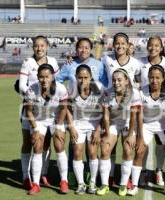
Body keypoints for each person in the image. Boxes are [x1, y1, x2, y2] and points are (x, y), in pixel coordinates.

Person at [56, 37, 107, 185]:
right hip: (75, 108)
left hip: (93, 111)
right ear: (76, 49)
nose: (83, 50)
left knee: (92, 148)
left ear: (90, 49)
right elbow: (58, 81)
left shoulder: (98, 64)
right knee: (75, 145)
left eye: (86, 47)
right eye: (80, 47)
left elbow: (103, 84)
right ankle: (73, 174)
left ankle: (91, 176)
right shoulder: (69, 64)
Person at [18, 35, 59, 190]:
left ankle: (43, 173)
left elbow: (58, 82)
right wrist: (36, 96)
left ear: (47, 46)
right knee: (28, 142)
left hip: (49, 110)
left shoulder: (53, 62)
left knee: (46, 143)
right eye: (36, 45)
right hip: (30, 108)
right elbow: (22, 86)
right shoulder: (27, 62)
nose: (39, 48)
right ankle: (25, 176)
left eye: (42, 45)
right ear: (33, 47)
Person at [128, 65, 165, 196]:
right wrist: (140, 136)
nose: (154, 80)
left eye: (157, 77)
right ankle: (135, 185)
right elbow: (140, 115)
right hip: (147, 124)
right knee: (140, 151)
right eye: (151, 77)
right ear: (148, 78)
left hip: (164, 125)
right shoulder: (141, 92)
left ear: (163, 78)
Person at [101, 32, 142, 186]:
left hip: (129, 113)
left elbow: (139, 81)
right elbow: (98, 74)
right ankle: (109, 177)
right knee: (108, 147)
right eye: (116, 43)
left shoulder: (136, 63)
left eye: (122, 43)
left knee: (128, 148)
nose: (119, 46)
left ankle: (126, 181)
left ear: (127, 45)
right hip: (111, 108)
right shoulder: (106, 59)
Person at [24, 64, 69, 195]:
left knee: (59, 145)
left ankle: (64, 181)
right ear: (37, 77)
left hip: (56, 119)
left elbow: (64, 108)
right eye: (41, 77)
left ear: (53, 77)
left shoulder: (60, 89)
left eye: (47, 77)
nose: (44, 80)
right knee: (37, 145)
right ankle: (36, 184)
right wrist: (36, 128)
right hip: (38, 120)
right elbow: (29, 112)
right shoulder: (31, 90)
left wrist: (59, 126)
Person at [96, 68, 141, 196]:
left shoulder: (135, 93)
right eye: (114, 80)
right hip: (113, 122)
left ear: (126, 81)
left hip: (128, 123)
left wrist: (131, 135)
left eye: (120, 80)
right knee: (105, 148)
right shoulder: (108, 93)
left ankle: (123, 184)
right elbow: (105, 116)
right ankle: (104, 184)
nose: (116, 83)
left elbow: (133, 117)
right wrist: (107, 134)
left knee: (128, 149)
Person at [66, 65, 104, 195]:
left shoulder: (99, 88)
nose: (83, 80)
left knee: (93, 151)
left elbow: (104, 111)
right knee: (77, 152)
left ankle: (92, 182)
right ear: (76, 77)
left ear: (91, 77)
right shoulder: (71, 88)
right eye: (80, 78)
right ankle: (81, 183)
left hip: (94, 123)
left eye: (86, 77)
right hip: (77, 123)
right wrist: (71, 128)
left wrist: (98, 129)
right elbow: (68, 110)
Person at [138, 36, 165, 187]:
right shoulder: (141, 62)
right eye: (150, 45)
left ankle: (158, 170)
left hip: (162, 108)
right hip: (145, 107)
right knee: (142, 143)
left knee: (161, 143)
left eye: (157, 45)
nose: (153, 48)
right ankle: (143, 172)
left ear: (161, 47)